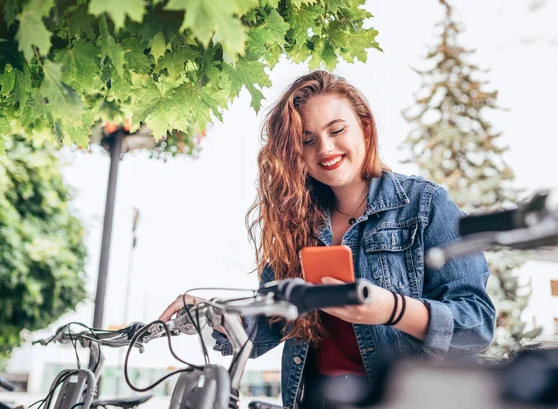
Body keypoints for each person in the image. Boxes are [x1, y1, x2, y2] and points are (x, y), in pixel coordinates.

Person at [158, 70, 496, 409]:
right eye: (307, 140)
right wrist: (216, 312)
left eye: (337, 130)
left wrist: (391, 310)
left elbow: (476, 325)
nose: (325, 148)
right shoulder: (297, 222)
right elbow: (274, 321)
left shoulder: (425, 205)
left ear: (364, 127)